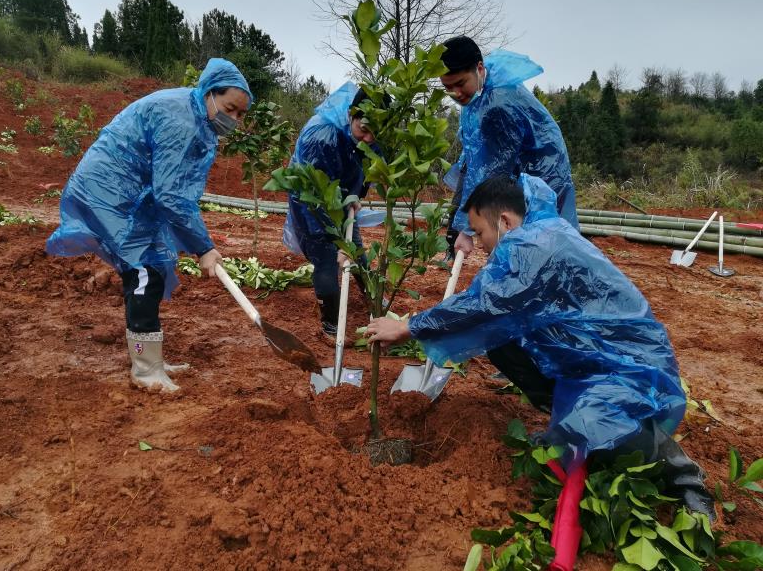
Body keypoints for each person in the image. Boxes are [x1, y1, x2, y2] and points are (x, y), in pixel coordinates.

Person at [365, 174, 714, 518]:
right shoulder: (535, 233)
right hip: (590, 355)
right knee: (501, 342)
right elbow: (493, 310)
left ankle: (684, 477)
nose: (482, 244)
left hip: (630, 366)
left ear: (503, 220)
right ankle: (570, 423)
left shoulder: (535, 244)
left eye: (481, 233)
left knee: (597, 419)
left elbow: (485, 303)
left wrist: (409, 326)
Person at [46, 58, 252, 392]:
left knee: (155, 265)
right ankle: (144, 369)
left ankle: (152, 360)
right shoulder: (182, 119)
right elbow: (170, 193)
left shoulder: (197, 116)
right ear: (209, 93)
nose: (235, 120)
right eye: (230, 108)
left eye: (241, 114)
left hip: (134, 193)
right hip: (109, 191)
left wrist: (201, 244)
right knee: (143, 270)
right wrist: (203, 247)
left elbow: (174, 189)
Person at [440, 35, 579, 260]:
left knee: (539, 246)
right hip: (518, 172)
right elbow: (474, 157)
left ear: (479, 68)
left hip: (540, 176)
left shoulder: (498, 103)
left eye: (460, 83)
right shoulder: (479, 91)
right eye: (448, 87)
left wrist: (465, 229)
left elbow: (492, 171)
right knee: (520, 245)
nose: (456, 93)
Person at [283, 82, 383, 341]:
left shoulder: (373, 136)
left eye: (375, 132)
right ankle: (331, 325)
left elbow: (366, 170)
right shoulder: (321, 136)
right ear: (352, 115)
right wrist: (336, 241)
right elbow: (315, 195)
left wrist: (356, 195)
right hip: (311, 203)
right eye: (364, 129)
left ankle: (376, 307)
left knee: (357, 254)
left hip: (342, 199)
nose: (369, 138)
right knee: (326, 258)